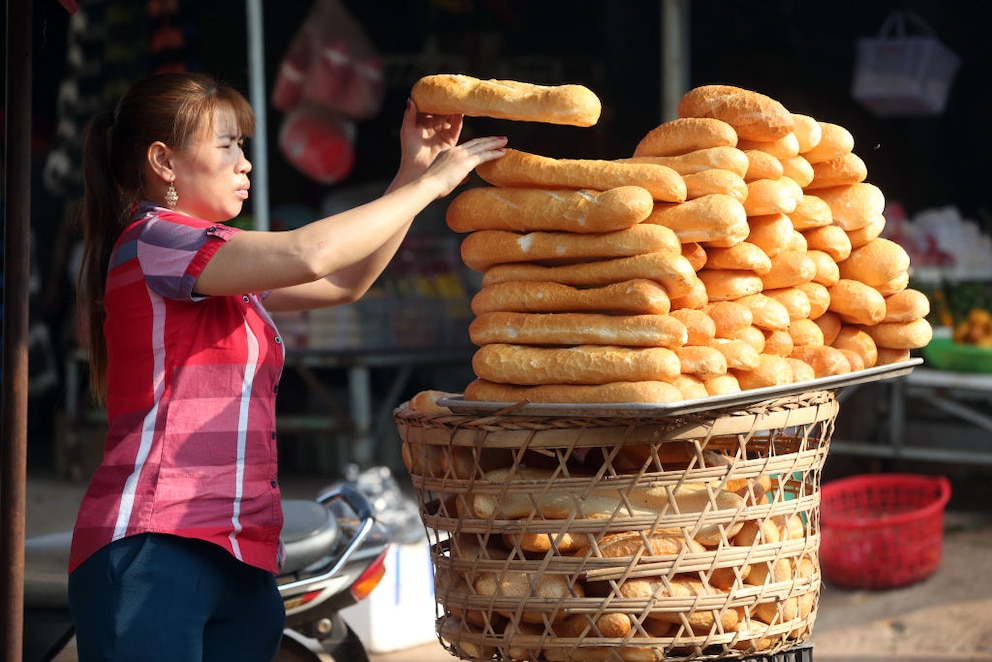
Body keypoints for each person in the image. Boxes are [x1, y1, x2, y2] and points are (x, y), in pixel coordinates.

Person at [66, 71, 506, 661]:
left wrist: (413, 170)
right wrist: (432, 187)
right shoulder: (154, 240)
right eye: (226, 145)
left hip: (241, 551)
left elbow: (345, 280)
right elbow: (310, 251)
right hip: (156, 546)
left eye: (241, 145)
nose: (244, 163)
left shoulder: (218, 264)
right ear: (163, 162)